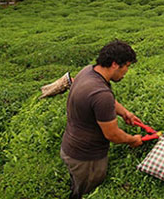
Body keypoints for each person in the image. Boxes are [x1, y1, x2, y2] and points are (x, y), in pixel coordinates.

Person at [60, 40, 145, 199]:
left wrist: (125, 113)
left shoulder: (88, 72)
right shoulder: (101, 94)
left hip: (70, 146)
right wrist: (132, 140)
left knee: (78, 182)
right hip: (86, 158)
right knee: (86, 192)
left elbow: (99, 100)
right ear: (115, 64)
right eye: (126, 66)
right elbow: (112, 135)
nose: (126, 71)